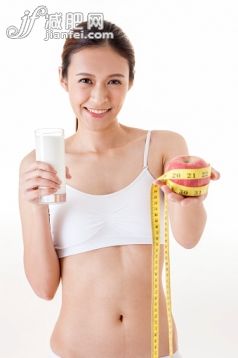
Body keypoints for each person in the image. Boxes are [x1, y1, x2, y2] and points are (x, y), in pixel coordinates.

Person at [18, 20, 220, 358]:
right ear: (63, 79)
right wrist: (37, 205)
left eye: (114, 81)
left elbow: (188, 238)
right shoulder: (38, 166)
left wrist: (188, 198)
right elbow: (43, 288)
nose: (99, 97)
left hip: (156, 350)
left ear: (130, 82)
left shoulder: (162, 146)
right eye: (85, 81)